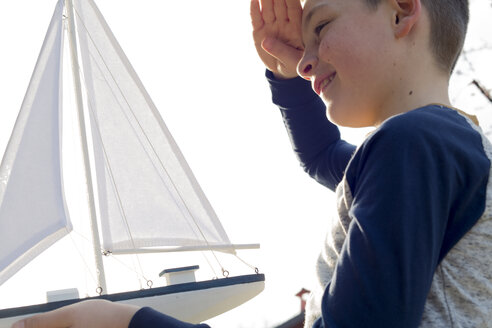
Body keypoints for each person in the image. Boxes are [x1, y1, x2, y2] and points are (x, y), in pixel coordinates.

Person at [12, 0, 492, 327]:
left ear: (402, 11)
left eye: (321, 26)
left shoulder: (411, 144)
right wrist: (285, 76)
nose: (305, 61)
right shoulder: (446, 147)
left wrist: (130, 320)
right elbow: (321, 157)